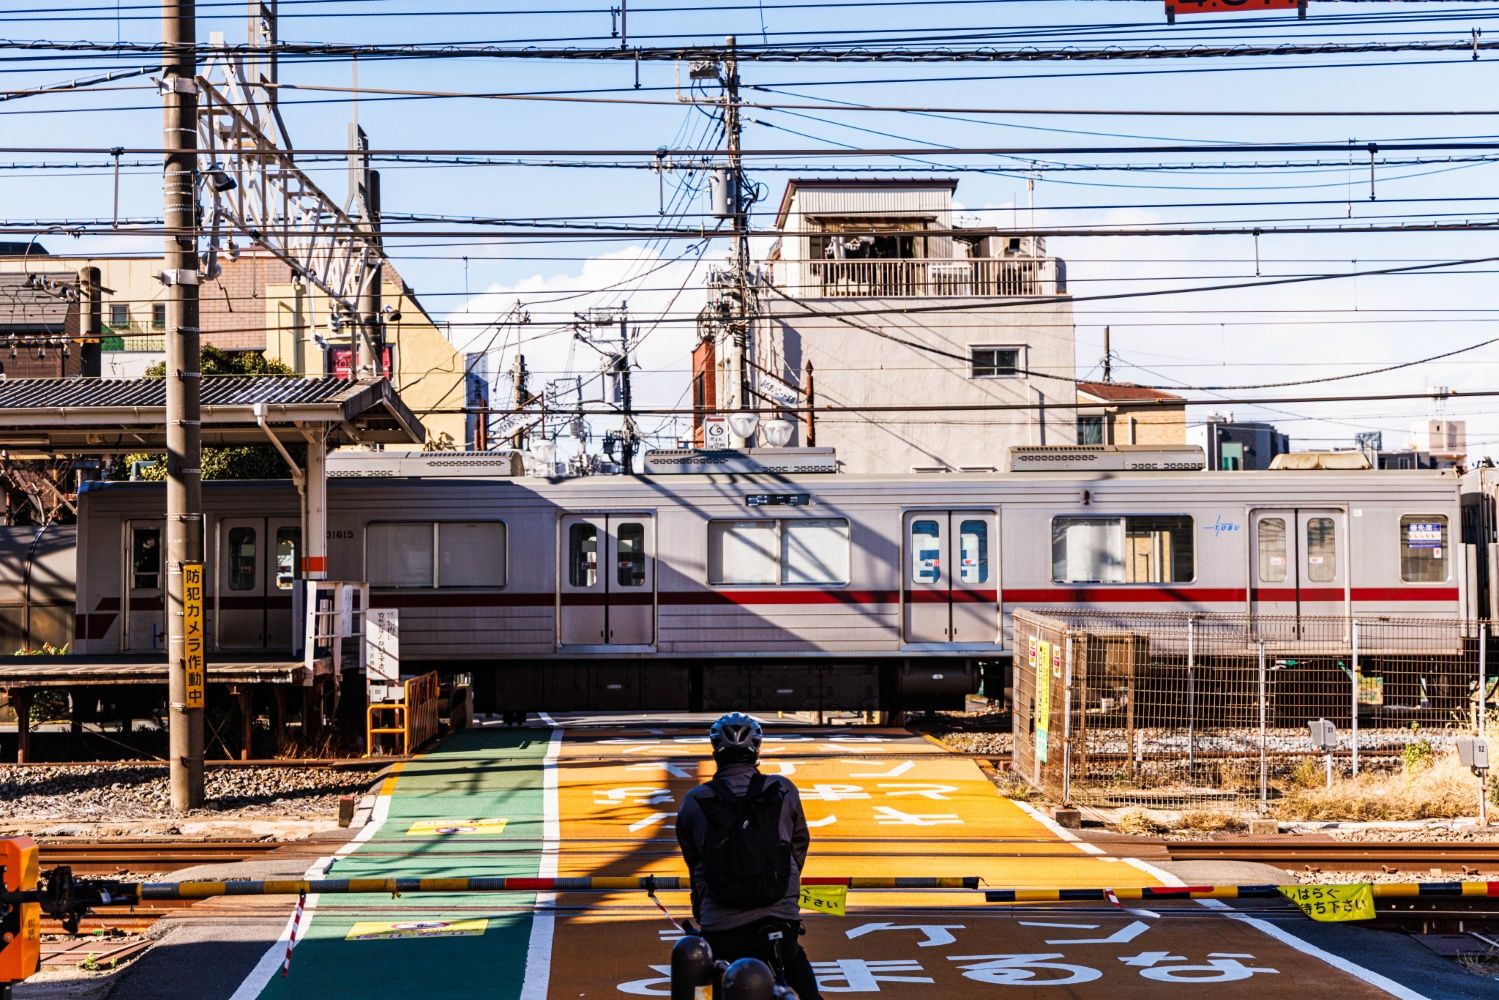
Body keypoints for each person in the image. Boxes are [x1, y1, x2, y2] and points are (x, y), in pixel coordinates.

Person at [676, 713, 823, 1000]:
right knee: (797, 970)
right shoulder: (782, 790)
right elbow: (798, 846)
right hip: (779, 918)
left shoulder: (695, 801)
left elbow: (695, 863)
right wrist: (784, 893)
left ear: (715, 752)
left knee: (714, 985)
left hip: (721, 925)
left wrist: (703, 911)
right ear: (757, 750)